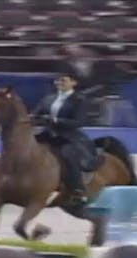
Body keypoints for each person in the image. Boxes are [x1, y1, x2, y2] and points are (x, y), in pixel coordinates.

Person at [32, 73, 98, 206]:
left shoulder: (79, 99)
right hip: (47, 134)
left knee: (68, 154)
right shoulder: (48, 98)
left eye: (63, 80)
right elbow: (36, 114)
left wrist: (55, 120)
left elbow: (78, 122)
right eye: (57, 80)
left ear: (73, 83)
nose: (59, 83)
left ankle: (78, 190)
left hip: (68, 136)